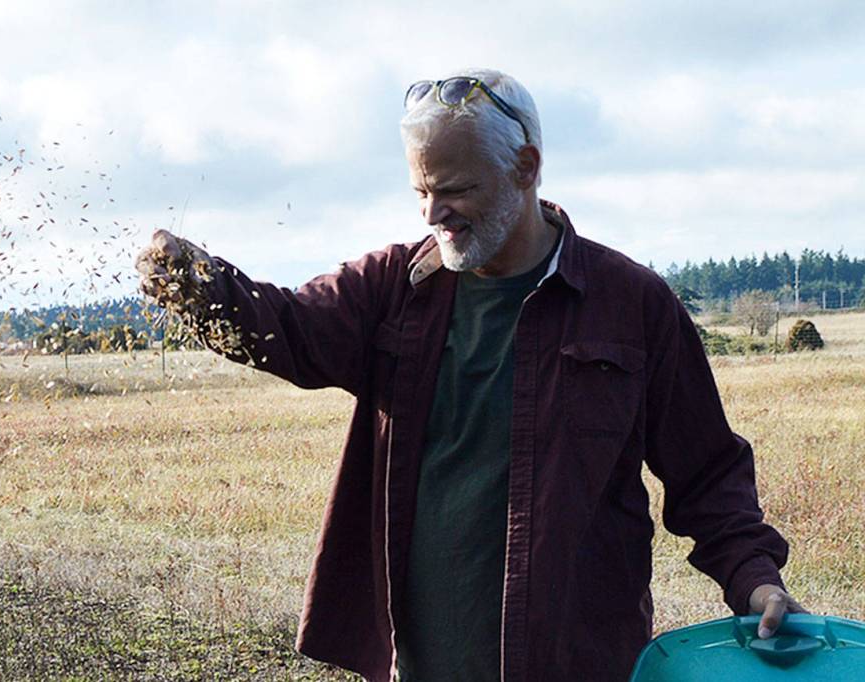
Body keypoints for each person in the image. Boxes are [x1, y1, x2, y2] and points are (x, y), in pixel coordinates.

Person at [135, 68, 805, 681]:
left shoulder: (630, 304)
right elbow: (291, 330)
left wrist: (755, 578)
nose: (432, 213)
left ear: (526, 168)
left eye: (454, 189)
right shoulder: (391, 289)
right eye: (421, 191)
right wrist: (196, 286)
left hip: (580, 666)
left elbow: (708, 472)